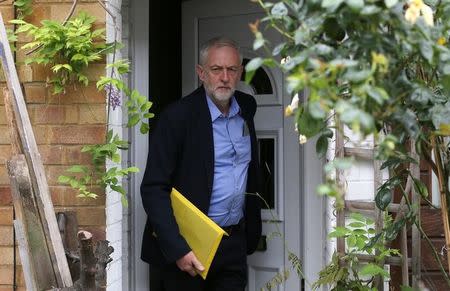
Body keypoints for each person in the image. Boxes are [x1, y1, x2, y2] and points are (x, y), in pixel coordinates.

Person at [140, 36, 262, 291]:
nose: (225, 77)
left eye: (232, 69)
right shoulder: (177, 117)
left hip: (233, 242)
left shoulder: (246, 109)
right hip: (189, 246)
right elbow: (153, 188)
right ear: (201, 73)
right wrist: (178, 249)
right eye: (216, 69)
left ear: (240, 72)